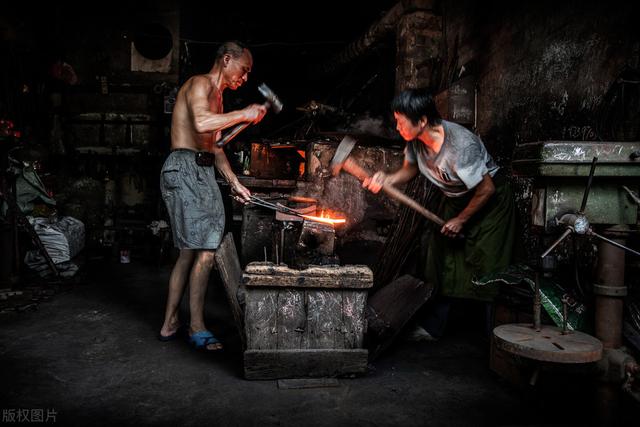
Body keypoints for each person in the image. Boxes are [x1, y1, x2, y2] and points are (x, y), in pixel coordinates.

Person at [363, 88, 515, 340]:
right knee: (441, 257)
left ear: (422, 121)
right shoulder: (415, 141)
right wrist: (387, 179)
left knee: (488, 265)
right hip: (456, 199)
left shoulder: (460, 145)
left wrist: (461, 219)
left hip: (490, 204)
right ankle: (435, 327)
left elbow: (486, 189)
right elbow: (409, 169)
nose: (397, 127)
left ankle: (494, 337)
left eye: (401, 122)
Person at [157, 41, 267, 351]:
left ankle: (170, 323)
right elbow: (202, 123)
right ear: (227, 59)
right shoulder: (199, 84)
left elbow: (214, 146)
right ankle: (196, 327)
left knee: (191, 251)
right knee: (205, 248)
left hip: (201, 169)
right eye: (243, 71)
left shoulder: (218, 98)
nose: (244, 79)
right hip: (184, 167)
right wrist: (242, 112)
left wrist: (233, 181)